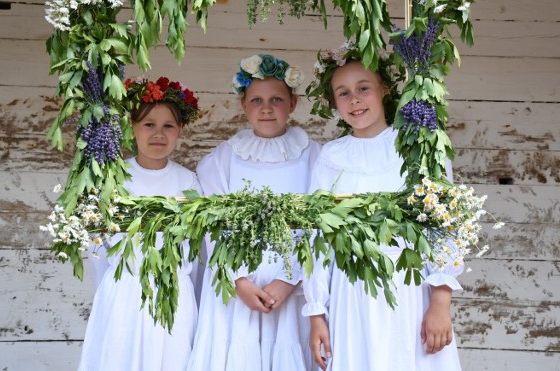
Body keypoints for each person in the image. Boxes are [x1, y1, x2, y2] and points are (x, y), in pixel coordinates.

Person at [303, 42, 463, 371]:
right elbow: (317, 237)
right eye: (343, 93)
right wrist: (317, 313)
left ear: (385, 90)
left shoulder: (418, 147)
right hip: (350, 293)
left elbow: (443, 226)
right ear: (333, 102)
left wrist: (441, 301)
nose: (355, 99)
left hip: (407, 287)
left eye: (364, 88)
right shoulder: (330, 158)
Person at [186, 54, 321, 371]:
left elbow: (319, 227)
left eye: (276, 99)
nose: (266, 108)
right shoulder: (221, 161)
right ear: (243, 105)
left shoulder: (315, 157)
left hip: (289, 285)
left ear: (293, 103)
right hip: (239, 289)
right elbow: (213, 226)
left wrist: (290, 280)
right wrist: (238, 281)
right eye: (256, 100)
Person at [78, 76, 202, 371]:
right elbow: (98, 248)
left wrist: (186, 290)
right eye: (149, 125)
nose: (158, 134)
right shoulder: (112, 179)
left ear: (180, 130)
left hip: (174, 291)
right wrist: (114, 288)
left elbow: (196, 251)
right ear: (131, 127)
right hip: (125, 290)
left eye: (168, 126)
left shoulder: (189, 181)